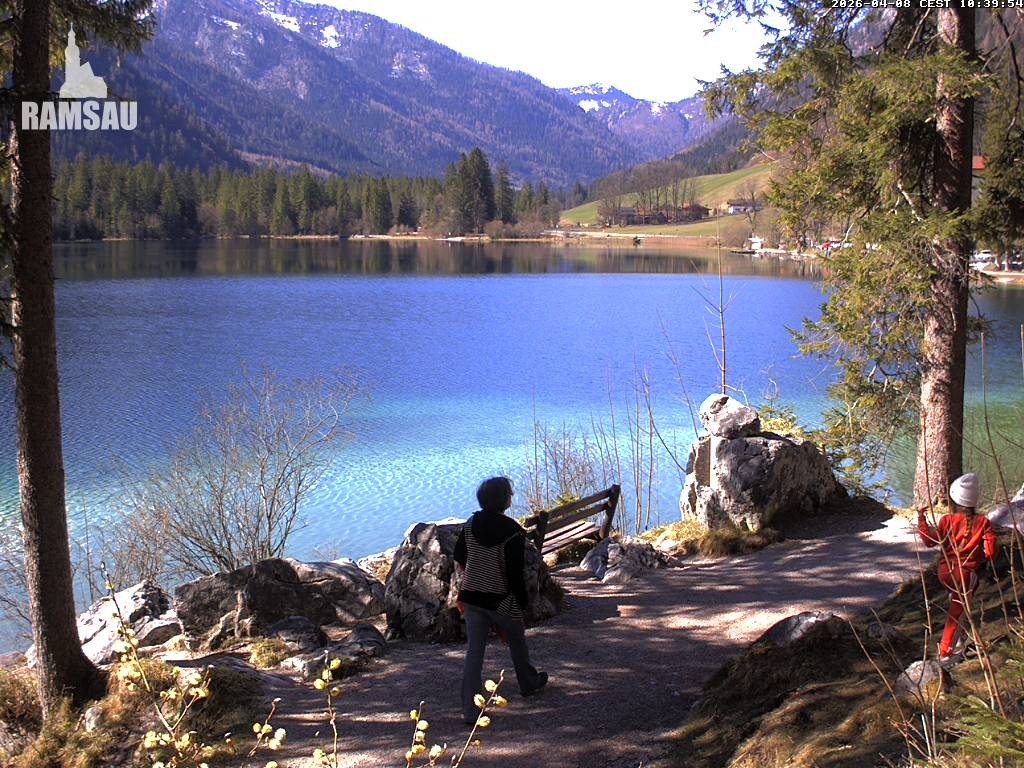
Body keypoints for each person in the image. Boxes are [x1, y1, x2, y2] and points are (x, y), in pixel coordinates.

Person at [454, 476, 547, 723]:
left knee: (475, 650)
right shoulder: (513, 531)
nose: (512, 496)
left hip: (472, 596)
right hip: (500, 599)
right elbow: (515, 573)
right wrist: (523, 603)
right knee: (516, 638)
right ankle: (528, 682)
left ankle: (469, 710)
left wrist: (477, 571)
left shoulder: (470, 523)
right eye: (509, 493)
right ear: (503, 500)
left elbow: (460, 554)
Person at [917, 473, 998, 660]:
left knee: (960, 604)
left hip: (944, 572)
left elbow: (929, 541)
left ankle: (960, 640)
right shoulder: (983, 522)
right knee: (957, 612)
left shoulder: (946, 520)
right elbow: (991, 553)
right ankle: (945, 654)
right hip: (965, 575)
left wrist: (922, 519)